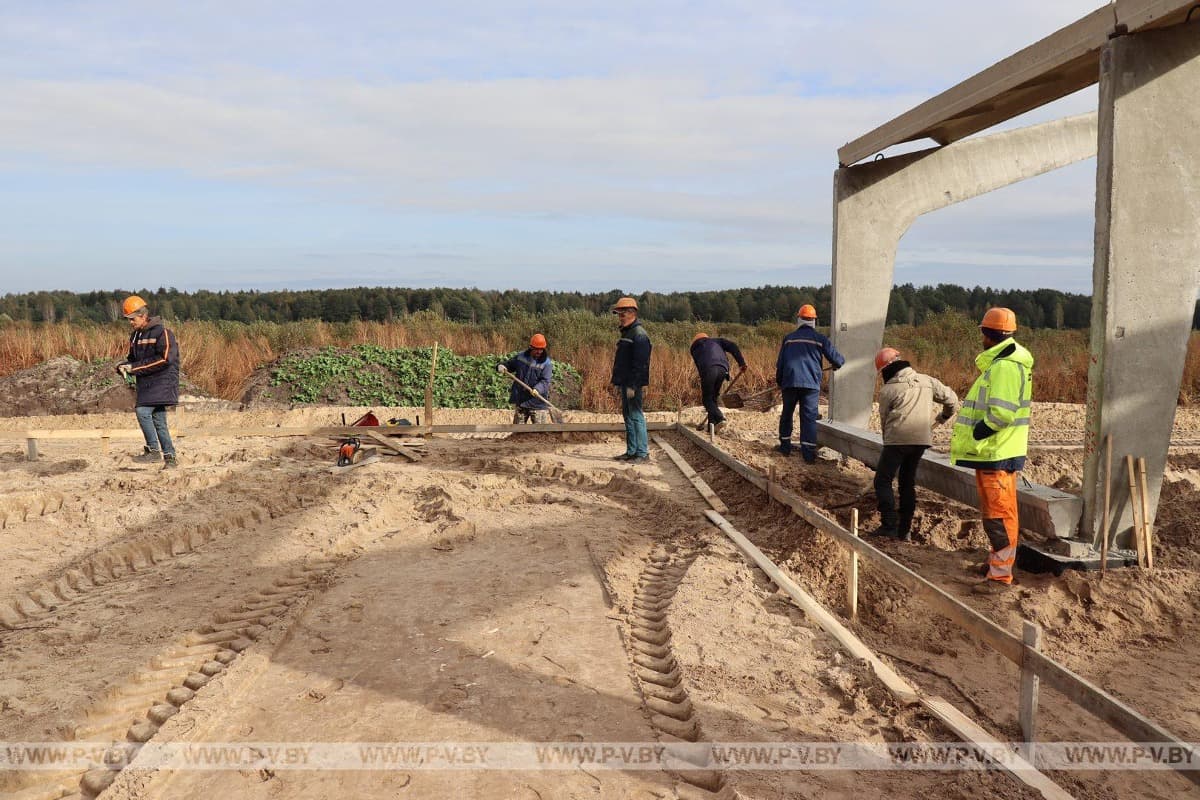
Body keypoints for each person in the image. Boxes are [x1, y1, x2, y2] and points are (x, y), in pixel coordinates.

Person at [950, 308, 1033, 590]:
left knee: (998, 516)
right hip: (994, 452)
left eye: (983, 332)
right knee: (995, 513)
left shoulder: (1005, 367)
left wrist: (978, 433)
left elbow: (1001, 414)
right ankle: (997, 564)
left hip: (996, 451)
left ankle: (1000, 576)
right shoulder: (1004, 363)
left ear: (989, 334)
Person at [872, 347, 959, 541]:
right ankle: (905, 529)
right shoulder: (927, 381)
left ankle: (889, 524)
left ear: (885, 370)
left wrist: (889, 442)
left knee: (882, 480)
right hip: (921, 441)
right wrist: (943, 416)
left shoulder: (888, 390)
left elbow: (885, 420)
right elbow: (952, 400)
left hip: (897, 441)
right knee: (906, 482)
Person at [117, 295, 181, 469]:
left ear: (143, 316)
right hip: (147, 384)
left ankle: (153, 450)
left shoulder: (163, 333)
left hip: (163, 382)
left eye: (132, 319)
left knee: (142, 411)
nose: (130, 322)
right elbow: (132, 359)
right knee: (159, 420)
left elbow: (166, 359)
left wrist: (135, 369)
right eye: (128, 319)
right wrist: (124, 366)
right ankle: (170, 458)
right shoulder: (135, 336)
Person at [775, 304, 844, 463]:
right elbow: (837, 359)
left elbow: (781, 364)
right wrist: (838, 363)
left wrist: (780, 381)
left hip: (790, 382)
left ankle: (785, 447)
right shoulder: (820, 339)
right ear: (814, 321)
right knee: (809, 418)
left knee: (787, 414)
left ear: (798, 319)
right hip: (810, 384)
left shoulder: (789, 339)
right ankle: (808, 454)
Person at [610, 296, 652, 463]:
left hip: (633, 383)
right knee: (628, 415)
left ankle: (642, 453)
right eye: (618, 314)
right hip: (626, 382)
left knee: (635, 415)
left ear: (632, 313)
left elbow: (641, 364)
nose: (620, 317)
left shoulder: (639, 335)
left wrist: (633, 385)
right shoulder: (628, 332)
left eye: (622, 314)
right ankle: (632, 451)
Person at [689, 333, 746, 433]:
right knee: (713, 398)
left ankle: (720, 418)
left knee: (707, 400)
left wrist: (704, 379)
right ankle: (712, 426)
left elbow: (699, 366)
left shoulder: (694, 349)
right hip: (723, 369)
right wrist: (741, 363)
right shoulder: (717, 341)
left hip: (708, 370)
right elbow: (733, 346)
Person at [498, 333, 553, 424]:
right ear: (531, 347)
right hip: (521, 401)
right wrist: (502, 366)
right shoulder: (521, 357)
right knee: (518, 432)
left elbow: (545, 381)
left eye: (541, 349)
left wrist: (537, 389)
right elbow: (510, 365)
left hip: (537, 403)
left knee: (540, 433)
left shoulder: (546, 363)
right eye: (536, 349)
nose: (539, 352)